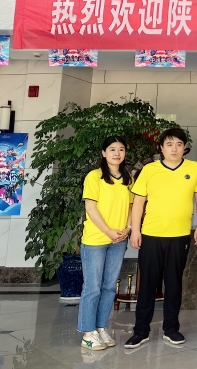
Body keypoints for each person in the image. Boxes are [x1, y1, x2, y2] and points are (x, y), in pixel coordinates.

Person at [126, 128, 197, 348]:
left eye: (179, 144)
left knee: (174, 284)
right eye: (169, 144)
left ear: (184, 148)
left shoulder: (194, 168)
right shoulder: (150, 170)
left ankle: (171, 329)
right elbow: (139, 201)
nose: (174, 149)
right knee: (147, 285)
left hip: (179, 235)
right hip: (151, 234)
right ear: (161, 148)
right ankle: (141, 331)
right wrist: (135, 230)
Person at [77, 136, 134, 351]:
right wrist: (109, 231)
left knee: (109, 287)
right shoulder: (94, 176)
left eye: (121, 149)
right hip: (96, 240)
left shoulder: (128, 178)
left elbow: (132, 207)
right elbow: (90, 208)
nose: (117, 153)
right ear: (103, 153)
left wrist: (128, 228)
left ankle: (101, 328)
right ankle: (88, 333)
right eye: (112, 149)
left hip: (118, 240)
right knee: (92, 287)